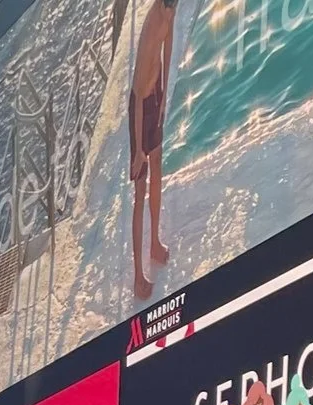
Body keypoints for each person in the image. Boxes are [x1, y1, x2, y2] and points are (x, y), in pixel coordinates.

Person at [127, 0, 179, 302]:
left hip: (155, 93)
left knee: (158, 166)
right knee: (140, 191)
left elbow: (169, 41)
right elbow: (135, 98)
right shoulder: (148, 34)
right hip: (140, 107)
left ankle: (155, 244)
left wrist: (164, 93)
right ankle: (137, 275)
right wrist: (137, 152)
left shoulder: (170, 9)